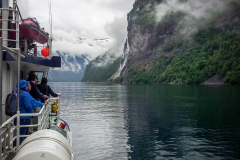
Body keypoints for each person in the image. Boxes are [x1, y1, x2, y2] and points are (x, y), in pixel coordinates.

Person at [15, 80, 34, 144]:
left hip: (16, 117)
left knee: (17, 134)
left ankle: (16, 147)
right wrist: (32, 114)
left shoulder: (16, 93)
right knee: (22, 134)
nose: (28, 85)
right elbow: (28, 106)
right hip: (24, 117)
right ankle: (20, 148)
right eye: (27, 84)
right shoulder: (25, 94)